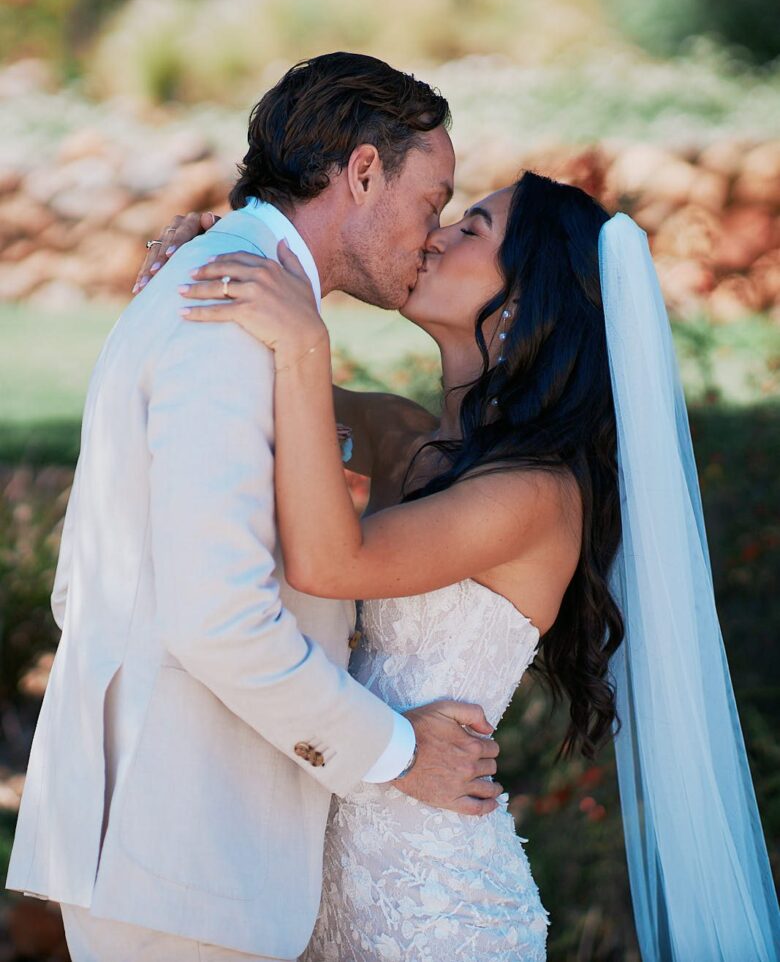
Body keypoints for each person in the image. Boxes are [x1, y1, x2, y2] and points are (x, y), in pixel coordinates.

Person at [153, 169, 780, 961]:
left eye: (472, 229)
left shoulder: (535, 496)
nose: (435, 236)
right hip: (324, 891)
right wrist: (198, 270)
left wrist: (307, 342)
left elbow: (330, 562)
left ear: (523, 303)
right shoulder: (403, 437)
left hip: (440, 912)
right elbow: (243, 371)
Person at [6, 53, 505, 962]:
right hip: (183, 851)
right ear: (362, 172)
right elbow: (219, 619)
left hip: (184, 852)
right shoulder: (227, 312)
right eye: (432, 202)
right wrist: (398, 754)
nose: (432, 235)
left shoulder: (237, 292)